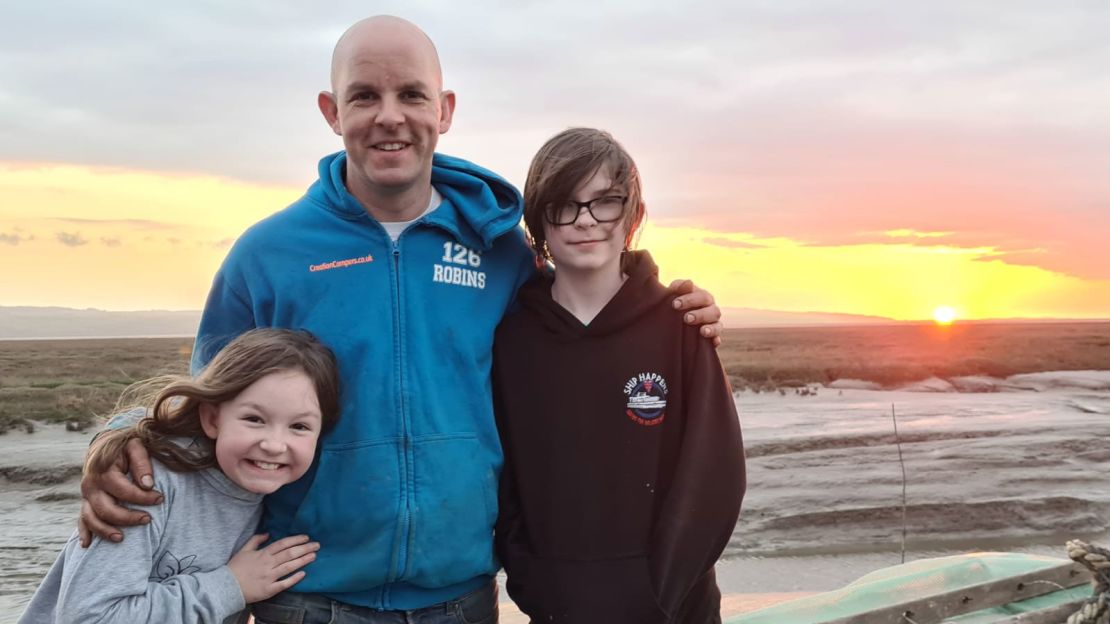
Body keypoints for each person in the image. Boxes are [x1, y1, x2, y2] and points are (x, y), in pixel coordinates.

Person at [75, 16, 723, 624]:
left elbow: (580, 332)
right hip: (306, 598)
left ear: (443, 110)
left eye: (412, 95)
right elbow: (207, 413)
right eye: (364, 96)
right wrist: (124, 445)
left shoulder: (498, 249)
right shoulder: (267, 256)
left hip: (461, 597)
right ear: (332, 112)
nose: (390, 116)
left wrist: (666, 309)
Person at [493, 128, 746, 623]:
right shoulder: (511, 341)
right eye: (564, 205)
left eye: (604, 202)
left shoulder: (681, 325)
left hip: (674, 610)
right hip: (559, 609)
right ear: (539, 221)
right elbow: (504, 481)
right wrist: (534, 582)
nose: (585, 221)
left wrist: (658, 592)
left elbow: (715, 478)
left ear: (631, 214)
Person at [19, 328, 340, 624]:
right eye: (254, 419)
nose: (273, 445)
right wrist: (232, 586)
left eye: (299, 426)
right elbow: (89, 617)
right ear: (212, 418)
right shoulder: (148, 483)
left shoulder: (279, 495)